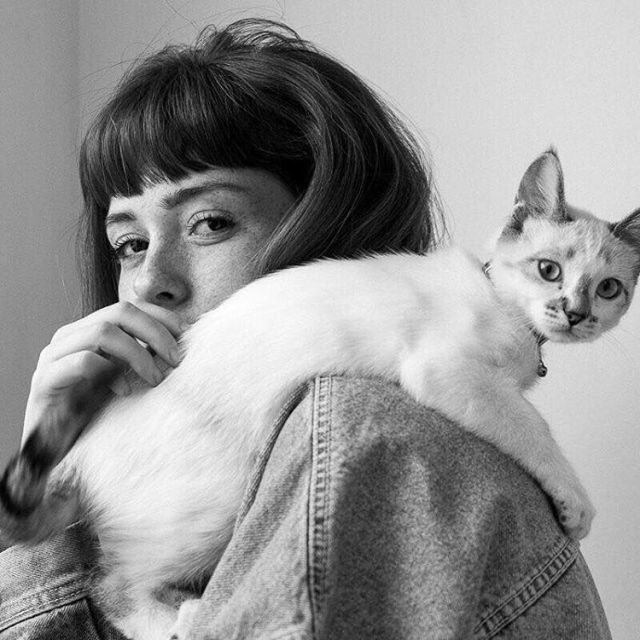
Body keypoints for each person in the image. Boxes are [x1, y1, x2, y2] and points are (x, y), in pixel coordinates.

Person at [0, 18, 611, 639]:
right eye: (129, 243)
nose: (150, 280)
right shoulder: (252, 472)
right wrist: (50, 478)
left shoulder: (354, 431)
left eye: (210, 222)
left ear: (336, 222)